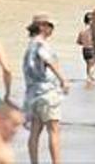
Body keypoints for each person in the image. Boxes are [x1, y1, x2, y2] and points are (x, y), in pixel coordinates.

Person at [22, 14, 69, 164]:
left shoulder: (30, 45)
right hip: (46, 92)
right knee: (54, 130)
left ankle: (34, 161)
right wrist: (63, 79)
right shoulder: (41, 45)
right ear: (42, 26)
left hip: (32, 94)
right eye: (50, 26)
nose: (52, 29)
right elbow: (48, 61)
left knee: (35, 131)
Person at [75, 12, 95, 83]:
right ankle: (90, 77)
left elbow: (78, 42)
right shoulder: (92, 30)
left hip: (85, 49)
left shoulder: (82, 31)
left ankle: (88, 77)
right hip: (92, 49)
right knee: (93, 64)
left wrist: (84, 42)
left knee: (88, 64)